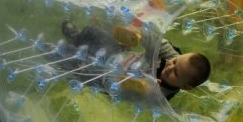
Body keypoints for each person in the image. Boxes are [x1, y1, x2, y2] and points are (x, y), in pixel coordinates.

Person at [61, 21, 211, 100]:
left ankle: (59, 54)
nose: (170, 66)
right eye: (174, 62)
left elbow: (124, 89)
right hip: (118, 54)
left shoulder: (158, 94)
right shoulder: (173, 59)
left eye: (176, 73)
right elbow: (157, 42)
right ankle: (75, 38)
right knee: (91, 31)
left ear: (185, 86)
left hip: (106, 78)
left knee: (77, 63)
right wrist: (140, 35)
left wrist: (145, 88)